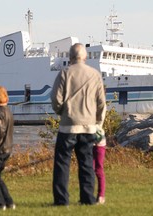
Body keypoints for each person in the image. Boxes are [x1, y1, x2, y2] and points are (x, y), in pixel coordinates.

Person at [50, 43, 106, 205]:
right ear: (85, 57)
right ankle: (87, 199)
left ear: (70, 57)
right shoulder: (95, 75)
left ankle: (61, 201)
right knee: (87, 163)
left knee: (62, 164)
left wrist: (62, 112)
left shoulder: (64, 73)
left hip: (68, 125)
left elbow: (55, 98)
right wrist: (98, 124)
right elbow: (101, 103)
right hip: (88, 126)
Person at [93, 127, 106, 204]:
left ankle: (101, 195)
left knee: (98, 169)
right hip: (95, 140)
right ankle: (89, 194)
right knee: (91, 169)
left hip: (99, 141)